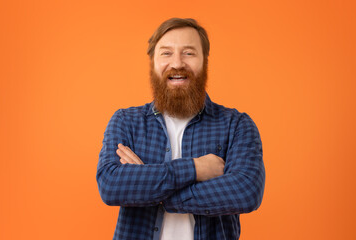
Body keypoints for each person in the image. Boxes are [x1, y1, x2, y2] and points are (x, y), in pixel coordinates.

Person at [96, 18, 265, 240]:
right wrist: (195, 169)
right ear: (153, 63)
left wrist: (152, 189)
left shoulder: (237, 125)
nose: (177, 63)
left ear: (204, 61)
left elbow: (246, 192)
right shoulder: (126, 121)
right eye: (166, 53)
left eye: (189, 53)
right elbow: (111, 185)